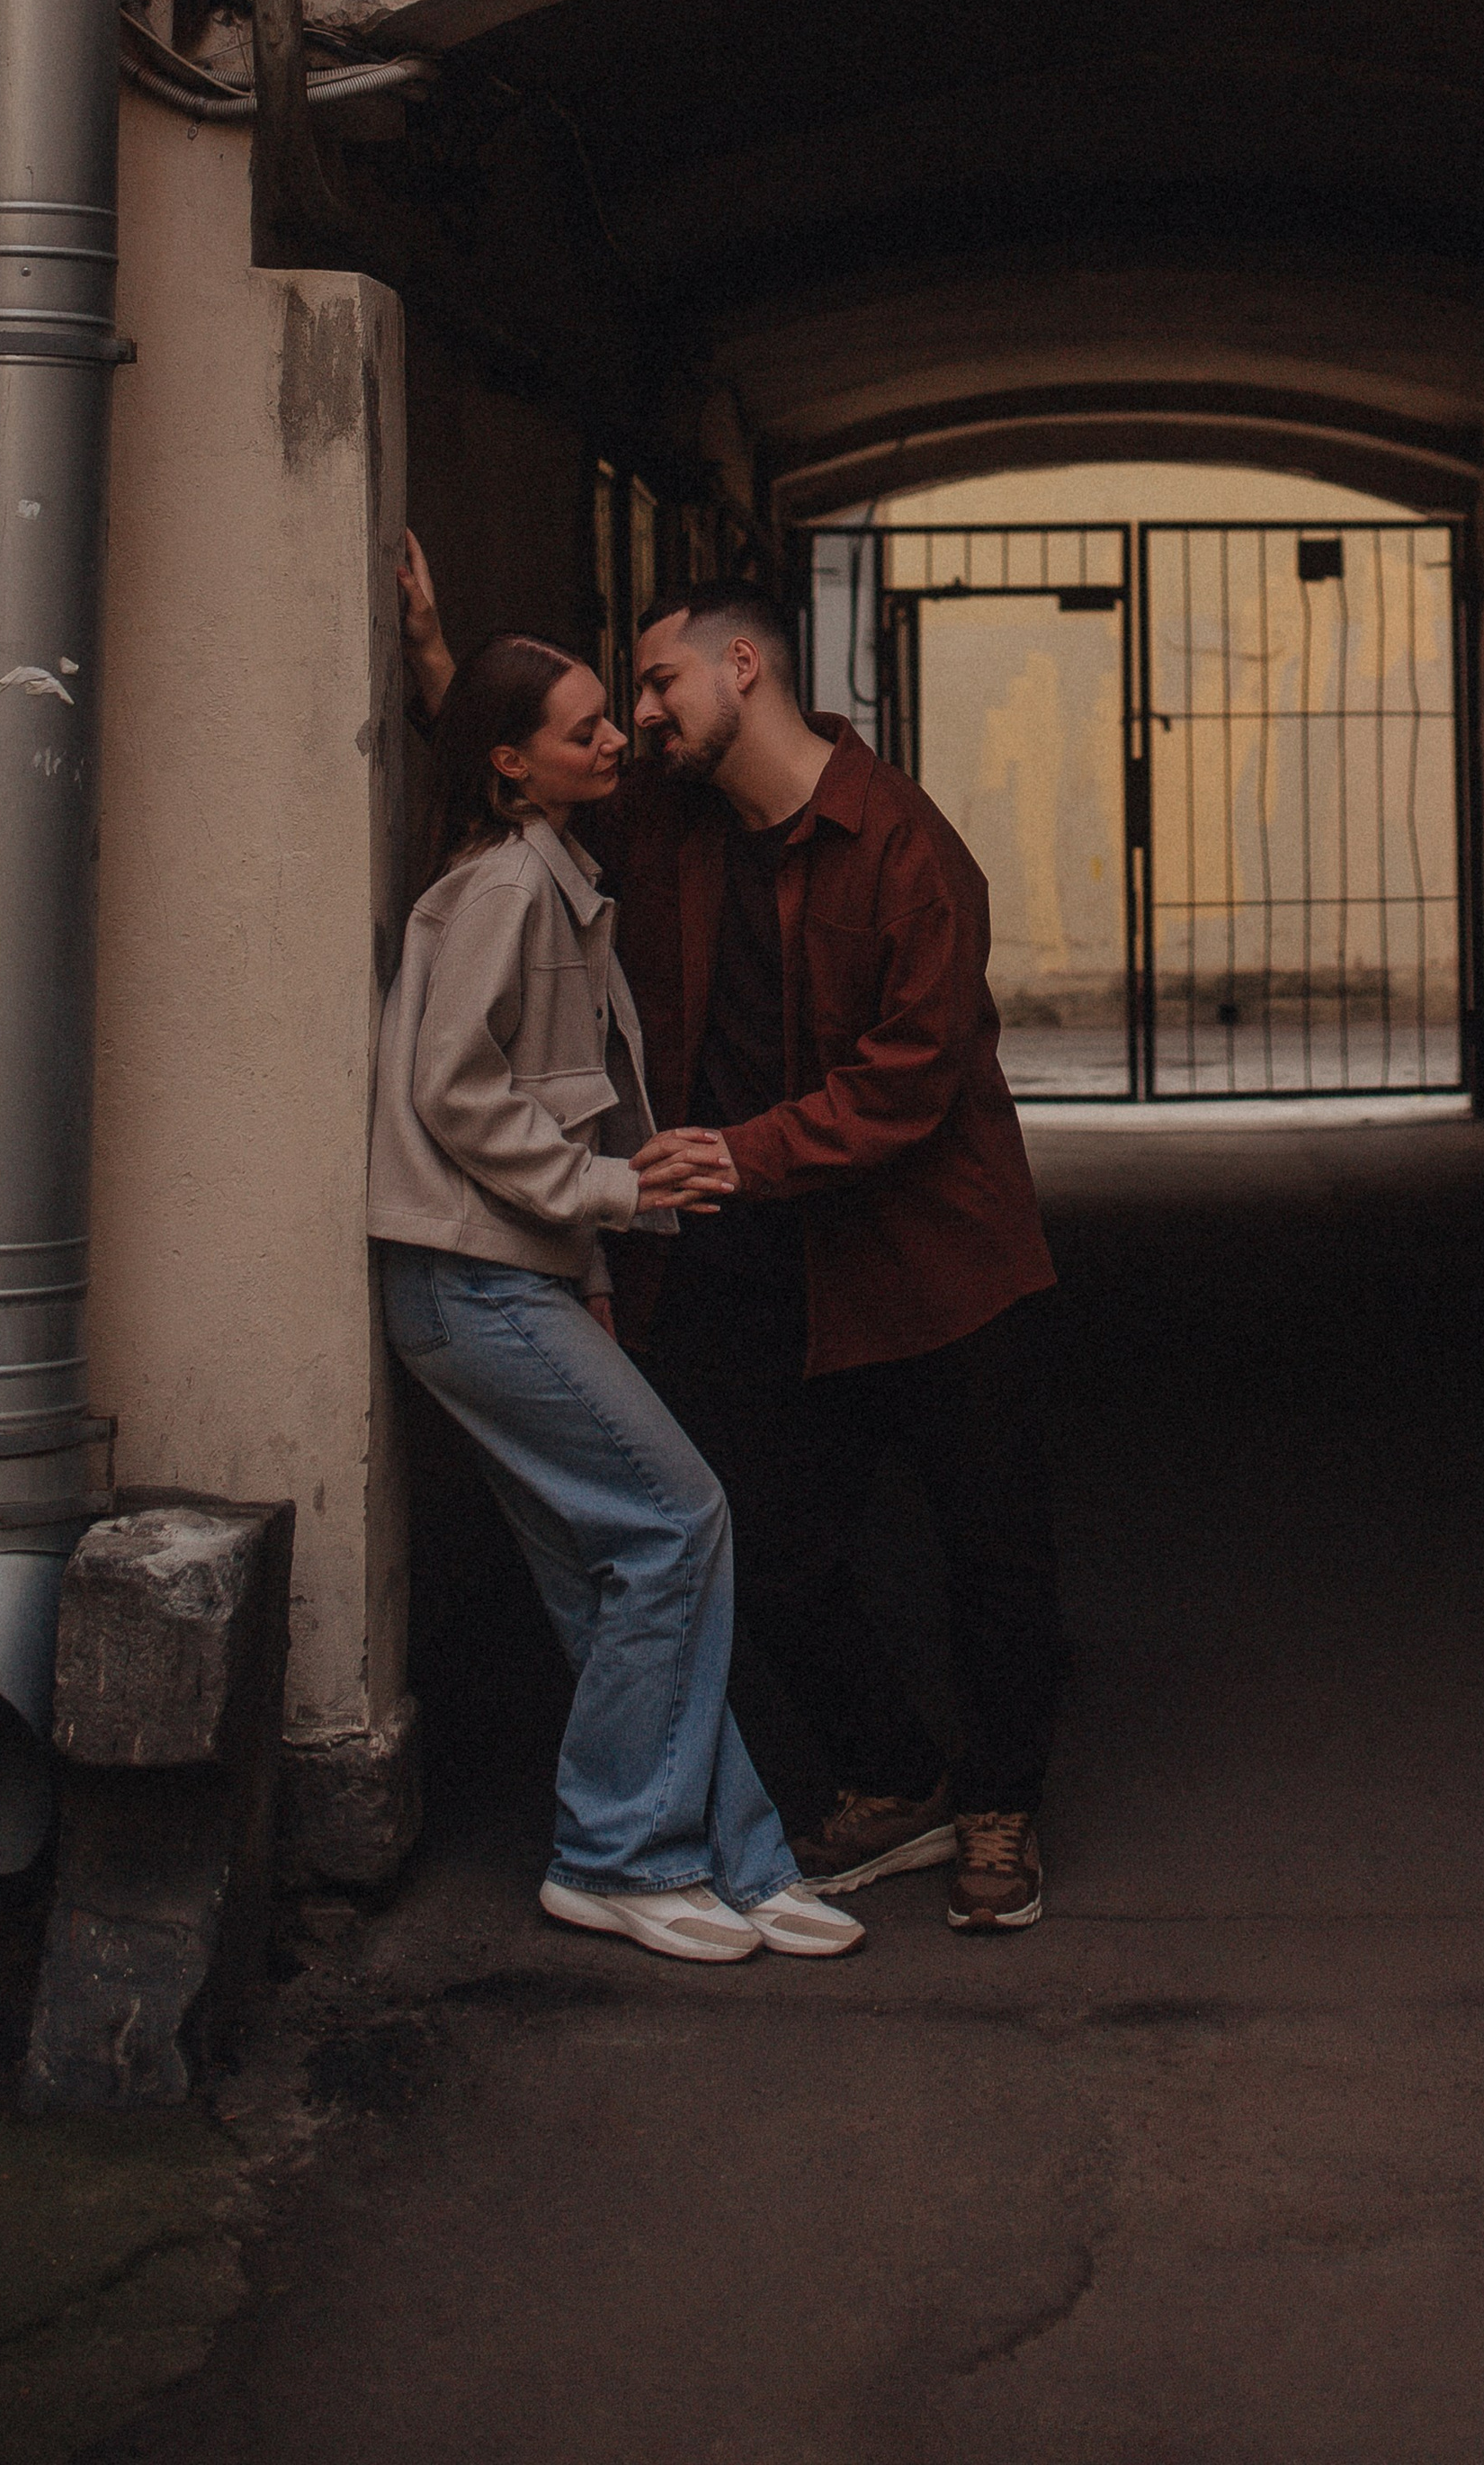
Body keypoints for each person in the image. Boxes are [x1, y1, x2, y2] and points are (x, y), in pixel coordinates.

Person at [400, 542, 1063, 1937]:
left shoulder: (905, 847)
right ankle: (893, 1773)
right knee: (762, 1538)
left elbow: (912, 1073)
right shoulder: (669, 818)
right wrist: (443, 677)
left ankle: (1003, 1804)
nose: (639, 716)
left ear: (741, 668)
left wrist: (740, 1154)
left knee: (991, 1549)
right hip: (770, 1263)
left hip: (941, 1260)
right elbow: (533, 767)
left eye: (657, 681)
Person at [367, 624, 863, 1965]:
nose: (613, 740)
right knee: (678, 1521)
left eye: (613, 715)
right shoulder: (504, 891)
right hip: (470, 1283)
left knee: (620, 1575)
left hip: (513, 1282)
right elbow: (455, 1091)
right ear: (512, 765)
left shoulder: (559, 876)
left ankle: (740, 1860)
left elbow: (553, 1093)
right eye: (583, 727)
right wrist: (615, 1203)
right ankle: (614, 1855)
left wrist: (586, 1269)